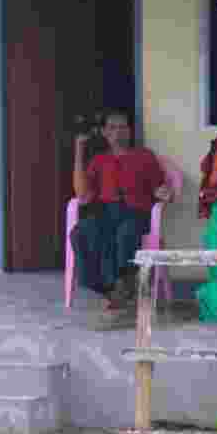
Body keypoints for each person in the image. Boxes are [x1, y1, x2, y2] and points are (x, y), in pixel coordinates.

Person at [71, 109, 173, 311]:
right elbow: (83, 196)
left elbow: (160, 188)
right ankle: (107, 288)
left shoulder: (144, 156)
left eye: (122, 127)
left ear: (130, 132)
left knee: (125, 233)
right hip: (106, 212)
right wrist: (79, 149)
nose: (118, 132)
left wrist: (165, 193)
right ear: (105, 133)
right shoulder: (99, 161)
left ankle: (121, 285)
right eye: (112, 127)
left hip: (136, 212)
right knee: (80, 232)